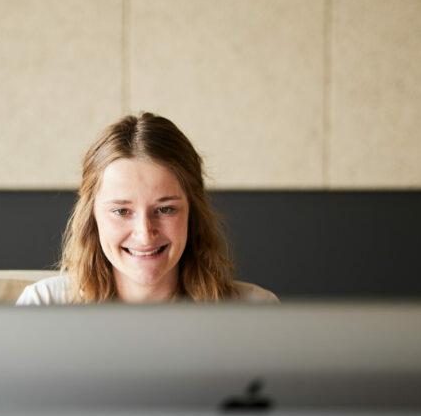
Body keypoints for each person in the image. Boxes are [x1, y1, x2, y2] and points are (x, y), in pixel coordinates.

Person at [16, 112, 278, 305]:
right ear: (92, 216)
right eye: (121, 211)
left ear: (192, 213)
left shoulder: (255, 312)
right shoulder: (44, 306)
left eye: (165, 210)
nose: (144, 233)